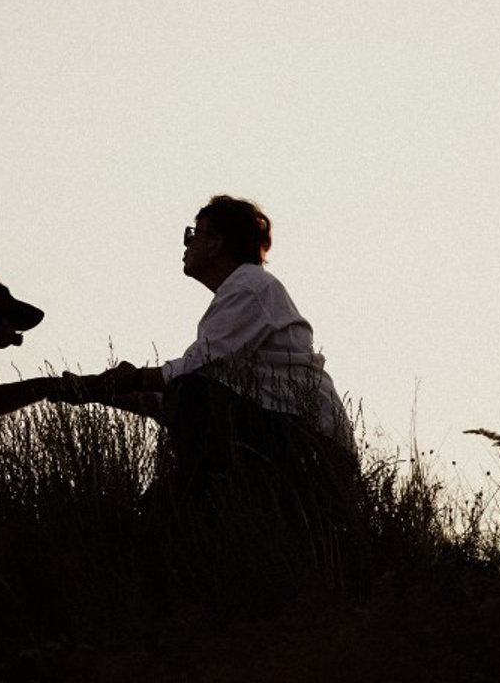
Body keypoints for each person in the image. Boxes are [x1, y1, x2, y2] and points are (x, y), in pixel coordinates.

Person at [64, 195, 357, 505]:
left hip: (313, 449)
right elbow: (177, 392)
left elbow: (192, 378)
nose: (187, 244)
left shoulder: (250, 287)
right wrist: (98, 391)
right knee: (162, 506)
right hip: (294, 445)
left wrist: (126, 378)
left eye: (194, 234)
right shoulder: (242, 295)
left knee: (193, 398)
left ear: (216, 243)